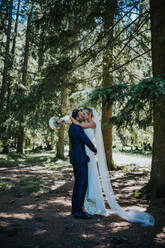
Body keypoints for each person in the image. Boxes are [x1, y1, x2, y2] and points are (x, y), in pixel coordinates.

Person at [70, 107, 155, 226]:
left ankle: (82, 206)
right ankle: (80, 208)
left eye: (85, 113)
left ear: (90, 115)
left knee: (83, 182)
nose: (83, 115)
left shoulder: (90, 124)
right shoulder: (79, 124)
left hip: (85, 155)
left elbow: (81, 128)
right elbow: (82, 134)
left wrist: (71, 119)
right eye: (82, 114)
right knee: (82, 183)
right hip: (83, 155)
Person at [68, 109, 97, 219]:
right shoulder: (77, 127)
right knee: (82, 185)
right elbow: (85, 139)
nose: (82, 116)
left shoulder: (72, 126)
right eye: (80, 115)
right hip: (80, 159)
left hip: (75, 158)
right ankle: (78, 212)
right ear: (77, 118)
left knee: (77, 185)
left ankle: (75, 209)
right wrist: (94, 149)